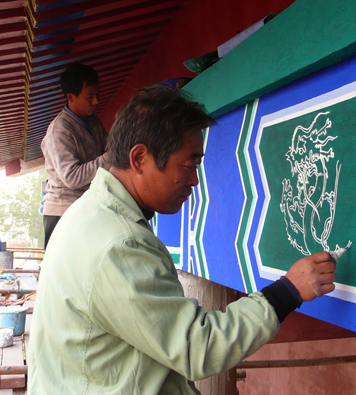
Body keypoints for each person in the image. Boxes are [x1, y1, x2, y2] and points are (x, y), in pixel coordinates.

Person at [28, 85, 337, 394]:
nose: (194, 180)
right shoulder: (120, 244)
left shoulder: (86, 215)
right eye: (189, 165)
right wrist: (288, 291)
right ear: (139, 158)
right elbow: (197, 347)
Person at [40, 62, 109, 248]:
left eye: (97, 95)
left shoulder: (94, 123)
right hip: (62, 212)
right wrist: (109, 158)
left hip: (87, 207)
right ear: (71, 97)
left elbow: (109, 147)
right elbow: (72, 177)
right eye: (90, 96)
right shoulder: (60, 130)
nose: (96, 101)